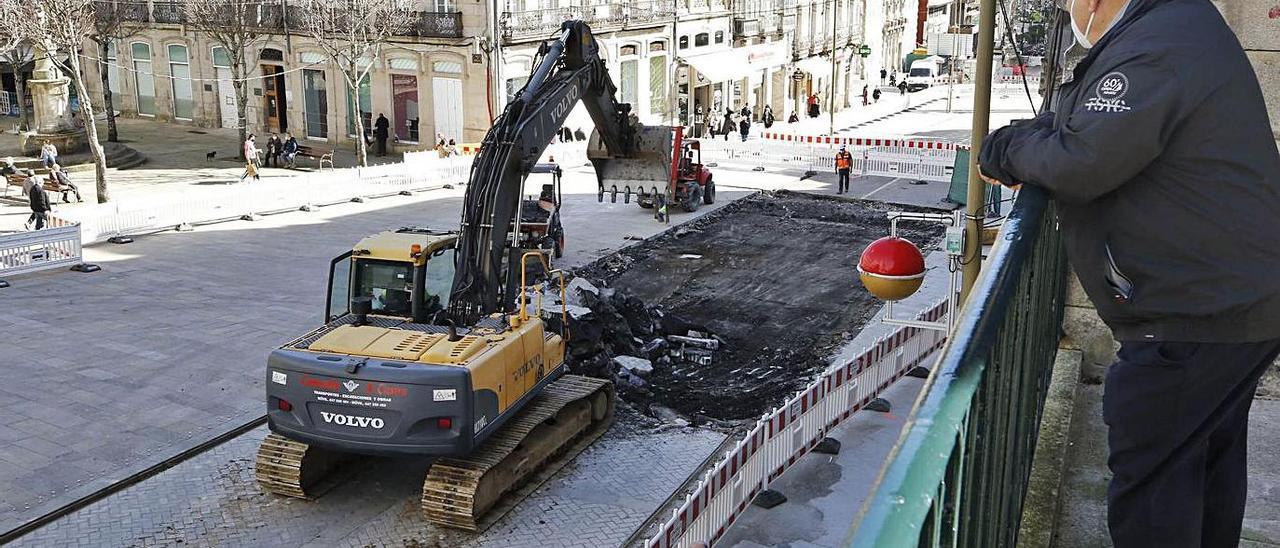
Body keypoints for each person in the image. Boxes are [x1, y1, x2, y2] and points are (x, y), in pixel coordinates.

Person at [977, 0, 1280, 544]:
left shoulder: (1156, 46)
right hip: (1233, 301)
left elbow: (1081, 162)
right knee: (1204, 466)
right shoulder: (1172, 26)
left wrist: (1002, 149)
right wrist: (1032, 138)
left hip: (1191, 313)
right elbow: (1085, 124)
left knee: (1154, 494)